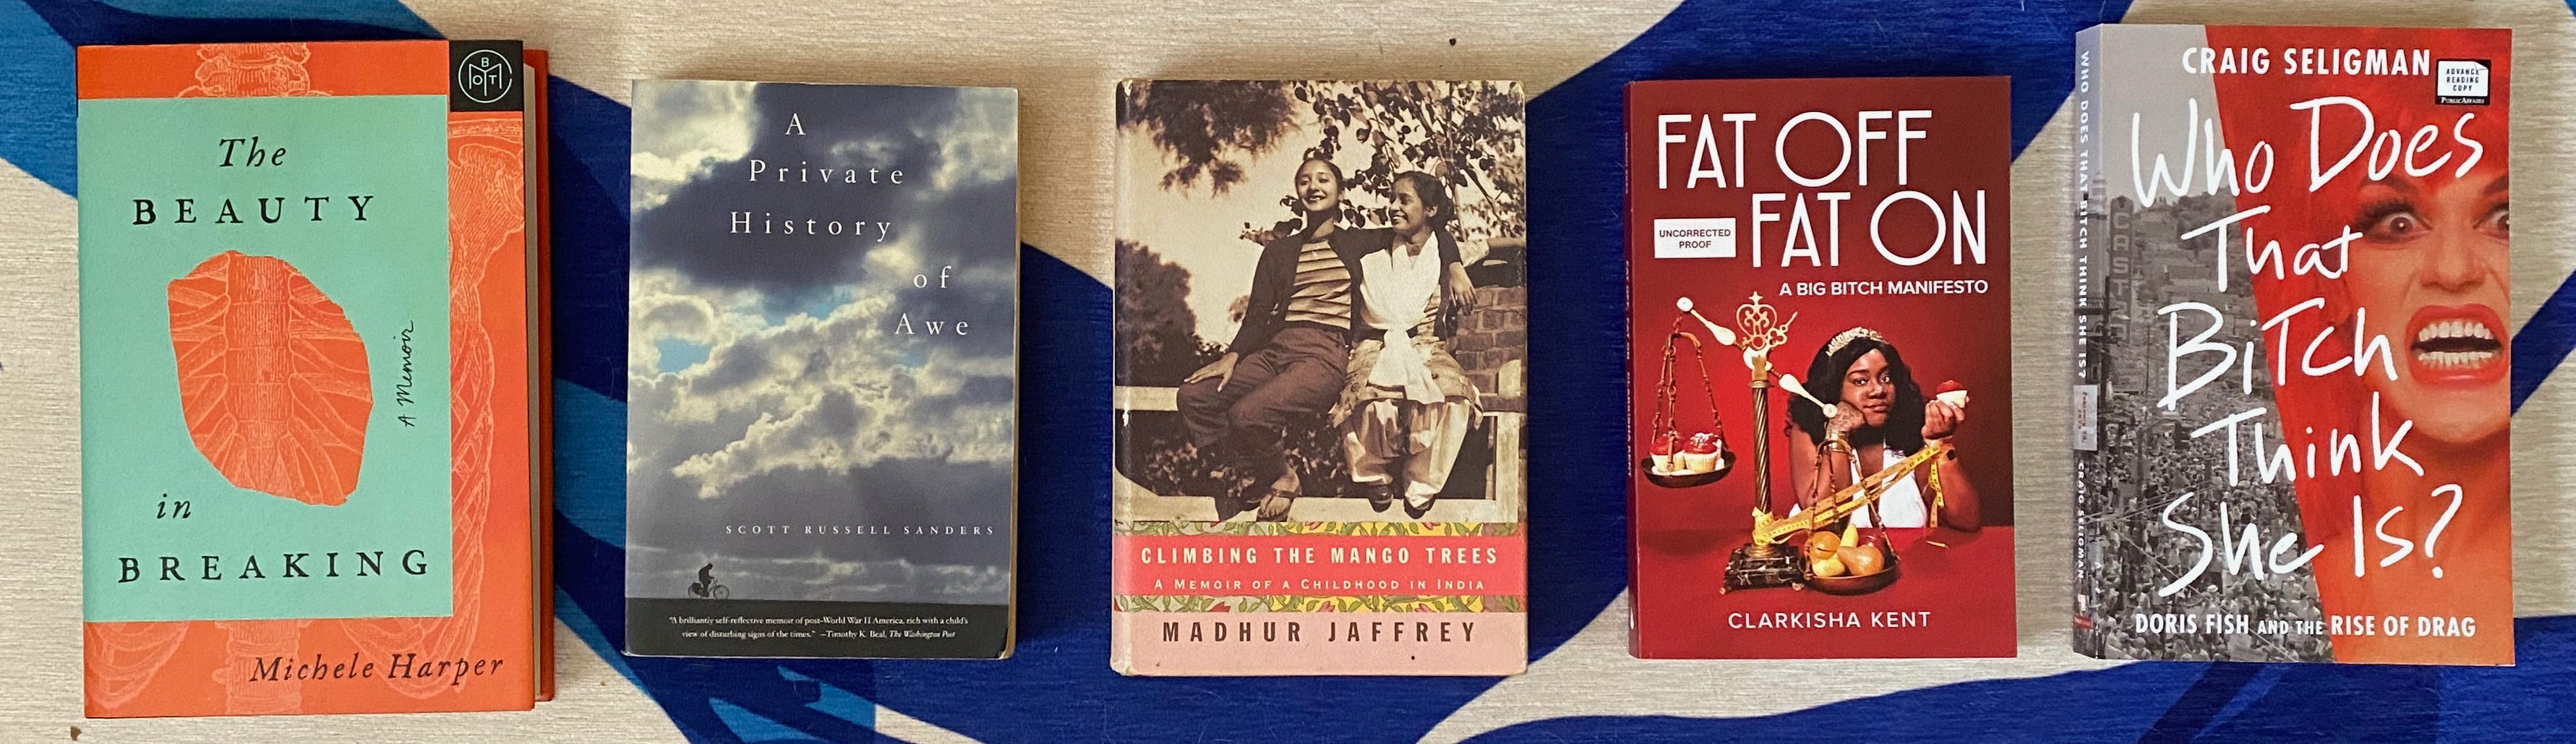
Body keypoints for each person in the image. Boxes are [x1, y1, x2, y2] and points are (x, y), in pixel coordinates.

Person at [1177, 158, 1369, 521]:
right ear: (1297, 192)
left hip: (1324, 353)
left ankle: (1282, 476)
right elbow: (1259, 314)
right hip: (1275, 349)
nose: (1313, 187)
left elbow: (1428, 228)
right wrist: (1232, 356)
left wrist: (1455, 265)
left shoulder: (1361, 242)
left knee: (1250, 414)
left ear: (1340, 192)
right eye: (1304, 181)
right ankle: (1256, 471)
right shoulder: (1279, 251)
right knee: (1195, 396)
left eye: (1323, 179)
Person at [1334, 171, 1481, 516]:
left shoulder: (1448, 250)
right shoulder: (1377, 243)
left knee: (1455, 396)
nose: (1393, 207)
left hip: (1427, 344)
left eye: (1404, 200)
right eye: (1392, 199)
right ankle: (1373, 473)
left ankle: (1422, 481)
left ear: (1430, 209)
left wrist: (1456, 266)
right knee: (1367, 398)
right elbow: (1332, 240)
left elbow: (1499, 243)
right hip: (1377, 341)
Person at [1783, 329, 1980, 530]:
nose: (1879, 390)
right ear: (1833, 388)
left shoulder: (1914, 432)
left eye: (1886, 378)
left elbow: (1965, 521)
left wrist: (1942, 442)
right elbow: (1824, 527)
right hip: (1824, 559)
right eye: (1861, 381)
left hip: (1903, 562)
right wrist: (1838, 433)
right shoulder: (1809, 430)